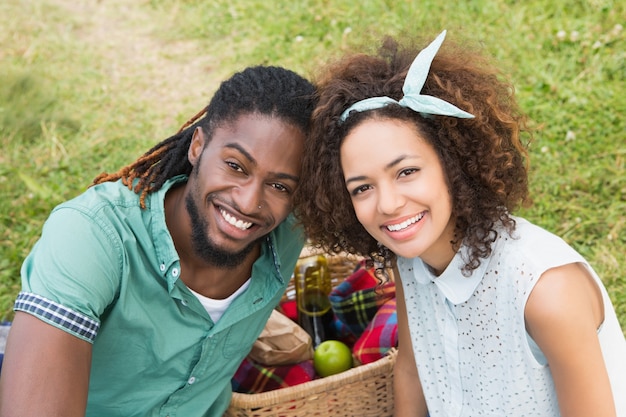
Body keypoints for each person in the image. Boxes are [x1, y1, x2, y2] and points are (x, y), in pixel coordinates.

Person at [293, 30, 626, 417]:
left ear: (454, 163)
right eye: (362, 187)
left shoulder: (546, 292)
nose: (388, 203)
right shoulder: (409, 262)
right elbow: (413, 372)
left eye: (406, 171)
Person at [0, 65, 316, 417]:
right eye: (235, 166)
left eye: (279, 186)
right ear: (198, 146)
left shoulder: (285, 230)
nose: (248, 201)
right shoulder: (92, 236)